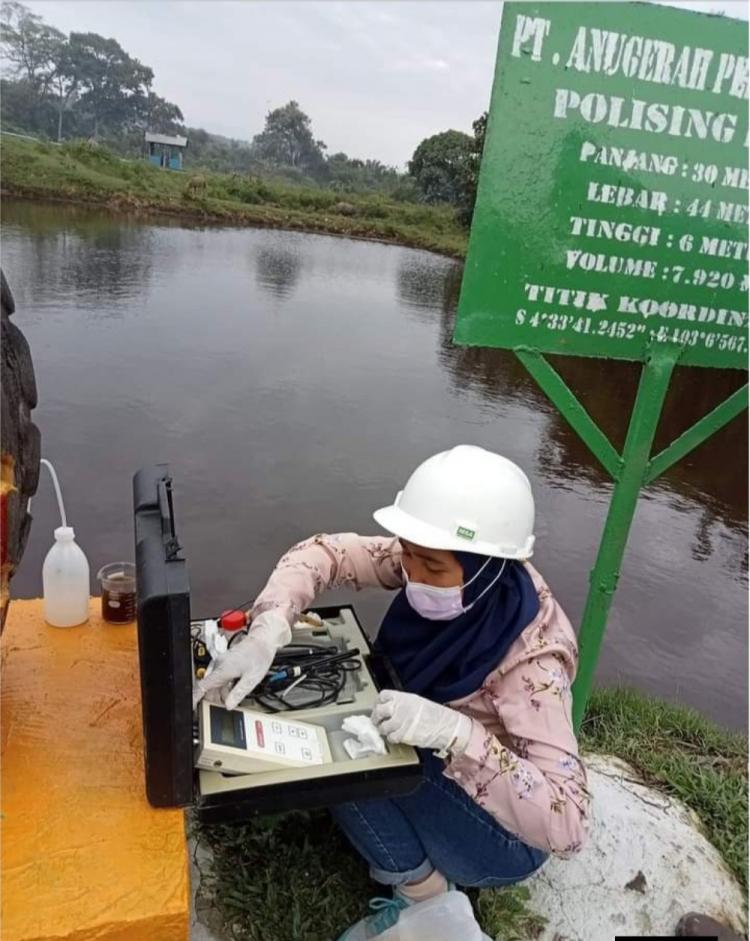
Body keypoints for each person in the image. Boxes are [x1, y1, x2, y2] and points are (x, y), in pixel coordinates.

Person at [195, 445, 591, 940]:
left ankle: (423, 896)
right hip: (438, 757)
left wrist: (457, 734)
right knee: (351, 731)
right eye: (408, 556)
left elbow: (567, 824)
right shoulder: (441, 567)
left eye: (433, 567)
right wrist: (272, 621)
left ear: (487, 565)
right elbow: (324, 553)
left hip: (501, 839)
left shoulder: (532, 665)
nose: (414, 576)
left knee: (347, 755)